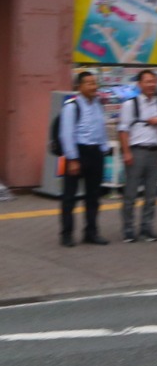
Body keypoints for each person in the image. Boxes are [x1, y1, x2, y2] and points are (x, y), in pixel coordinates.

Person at [116, 69, 157, 243]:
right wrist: (126, 152)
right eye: (147, 81)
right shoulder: (130, 104)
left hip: (154, 152)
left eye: (153, 82)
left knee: (152, 194)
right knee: (131, 194)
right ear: (139, 84)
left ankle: (146, 228)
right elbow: (123, 130)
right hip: (136, 151)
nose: (151, 85)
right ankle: (128, 230)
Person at [56, 71, 111, 247]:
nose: (94, 86)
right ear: (79, 87)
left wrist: (103, 151)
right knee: (69, 197)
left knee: (93, 196)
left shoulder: (98, 104)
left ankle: (91, 232)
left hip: (95, 154)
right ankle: (66, 234)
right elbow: (66, 134)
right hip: (77, 153)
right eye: (89, 83)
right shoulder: (72, 106)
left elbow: (102, 130)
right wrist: (72, 159)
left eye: (95, 83)